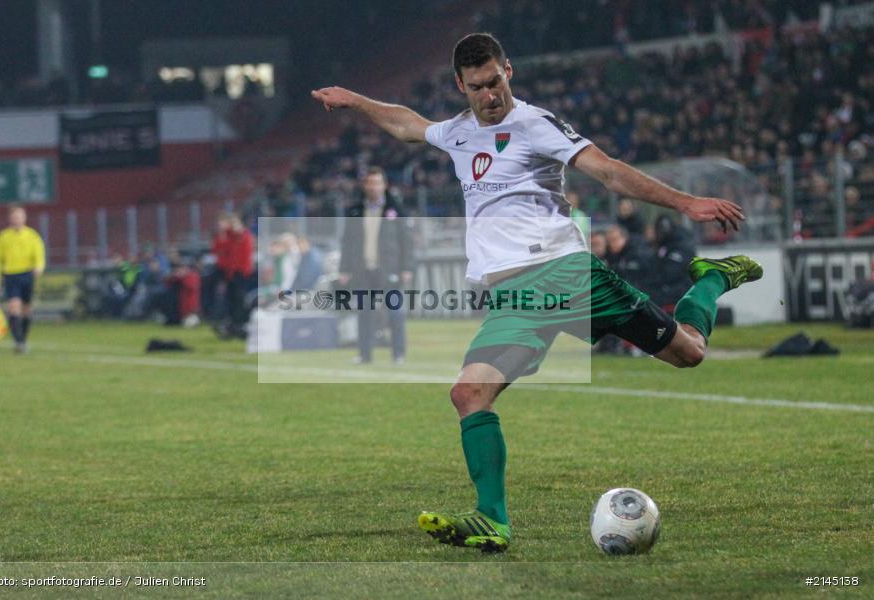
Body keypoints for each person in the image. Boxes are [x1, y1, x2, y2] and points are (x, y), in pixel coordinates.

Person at [312, 32, 758, 553]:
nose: (490, 95)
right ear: (461, 85)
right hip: (514, 299)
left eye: (496, 82)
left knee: (689, 352)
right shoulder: (456, 133)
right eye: (477, 87)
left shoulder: (534, 124)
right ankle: (492, 521)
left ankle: (712, 277)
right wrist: (355, 101)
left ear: (509, 72)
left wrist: (685, 204)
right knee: (468, 392)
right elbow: (406, 123)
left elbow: (608, 171)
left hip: (566, 277)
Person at [338, 167, 414, 364]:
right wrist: (344, 269)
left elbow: (406, 240)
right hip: (363, 270)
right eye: (370, 183)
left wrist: (407, 267)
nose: (374, 187)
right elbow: (347, 242)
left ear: (384, 185)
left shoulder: (395, 210)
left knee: (394, 313)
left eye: (377, 183)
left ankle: (399, 354)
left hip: (389, 270)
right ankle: (365, 355)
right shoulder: (355, 211)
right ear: (365, 186)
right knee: (365, 313)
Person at [0, 205, 46, 353]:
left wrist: (39, 267)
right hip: (11, 276)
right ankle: (19, 342)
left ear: (24, 217)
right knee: (14, 307)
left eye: (19, 216)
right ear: (10, 218)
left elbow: (39, 255)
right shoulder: (3, 237)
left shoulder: (32, 236)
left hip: (27, 275)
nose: (17, 219)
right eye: (14, 216)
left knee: (26, 310)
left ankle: (23, 338)